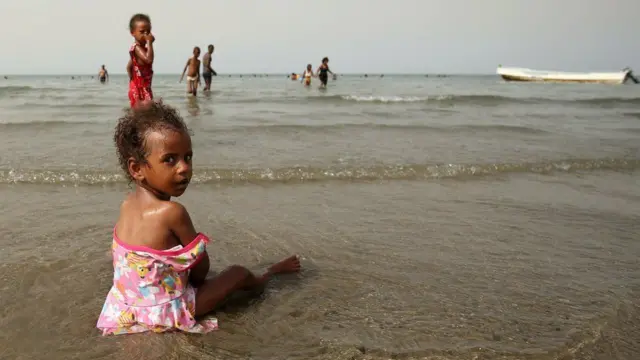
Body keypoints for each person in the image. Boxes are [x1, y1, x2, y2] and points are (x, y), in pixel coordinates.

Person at [96, 101, 301, 335]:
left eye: (188, 157)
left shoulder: (126, 205)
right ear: (137, 169)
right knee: (238, 273)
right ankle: (269, 275)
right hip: (164, 311)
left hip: (124, 307)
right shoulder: (172, 212)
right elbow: (201, 265)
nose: (184, 168)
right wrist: (197, 284)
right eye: (170, 159)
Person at [126, 13, 155, 108]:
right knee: (144, 113)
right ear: (132, 32)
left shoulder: (140, 49)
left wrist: (132, 80)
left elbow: (129, 66)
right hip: (140, 90)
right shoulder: (137, 48)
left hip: (143, 88)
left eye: (148, 31)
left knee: (144, 114)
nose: (146, 35)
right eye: (142, 32)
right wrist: (150, 43)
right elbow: (149, 60)